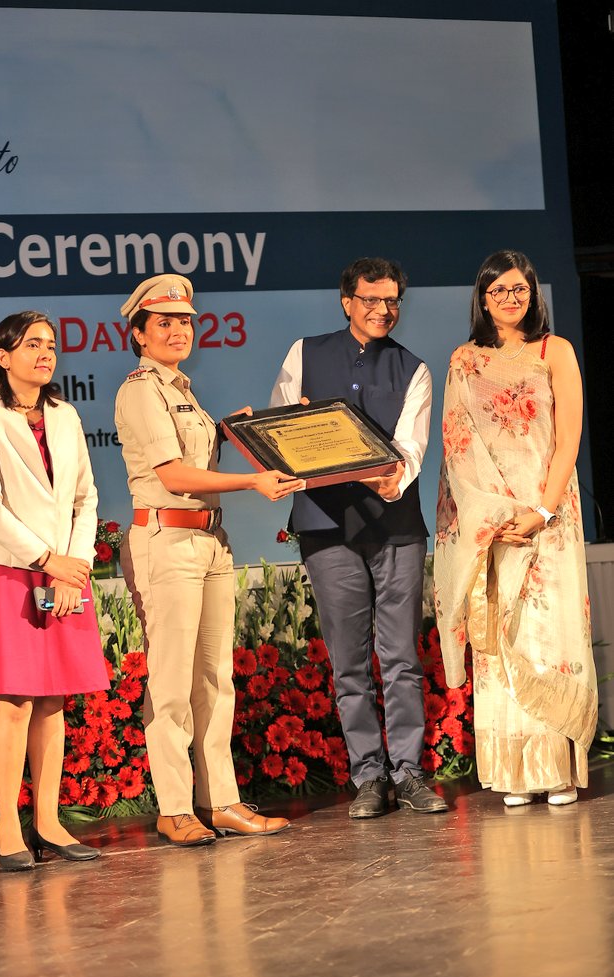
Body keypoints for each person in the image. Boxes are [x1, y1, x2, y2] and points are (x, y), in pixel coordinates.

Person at [115, 273, 301, 846]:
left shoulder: (181, 389)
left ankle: (219, 801)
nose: (177, 330)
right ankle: (174, 807)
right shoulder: (142, 389)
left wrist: (226, 432)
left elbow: (190, 458)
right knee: (171, 683)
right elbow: (171, 476)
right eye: (164, 322)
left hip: (210, 541)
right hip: (167, 542)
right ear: (140, 334)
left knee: (216, 681)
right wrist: (251, 480)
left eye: (185, 321)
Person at [271, 256, 448, 817]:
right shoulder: (305, 353)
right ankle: (368, 776)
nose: (383, 310)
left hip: (394, 529)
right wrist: (295, 434)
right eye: (371, 299)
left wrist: (392, 478)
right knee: (349, 664)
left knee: (399, 660)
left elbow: (411, 449)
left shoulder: (414, 369)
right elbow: (281, 425)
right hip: (326, 528)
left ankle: (409, 772)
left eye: (393, 300)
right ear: (347, 301)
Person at [434, 250, 598, 806]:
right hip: (492, 525)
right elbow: (457, 449)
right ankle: (514, 774)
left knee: (547, 634)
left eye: (519, 288)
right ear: (482, 298)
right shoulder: (464, 360)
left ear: (533, 294)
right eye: (498, 289)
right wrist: (492, 517)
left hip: (548, 517)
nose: (510, 297)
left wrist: (543, 510)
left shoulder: (557, 352)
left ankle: (555, 768)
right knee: (499, 640)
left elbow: (568, 440)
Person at [0, 311, 110, 871]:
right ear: (3, 356)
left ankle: (48, 823)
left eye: (51, 344)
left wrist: (76, 566)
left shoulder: (66, 416)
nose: (46, 353)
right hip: (9, 569)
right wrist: (47, 560)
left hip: (66, 567)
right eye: (32, 344)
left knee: (54, 699)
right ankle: (8, 829)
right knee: (16, 698)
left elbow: (86, 498)